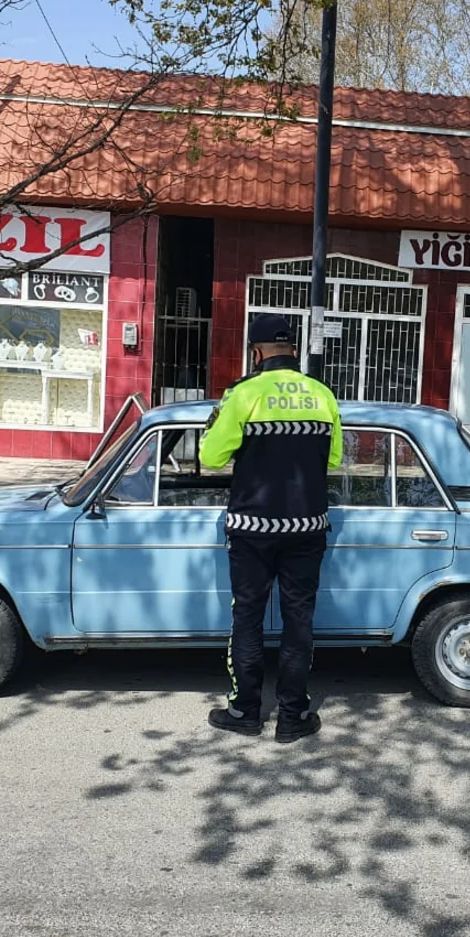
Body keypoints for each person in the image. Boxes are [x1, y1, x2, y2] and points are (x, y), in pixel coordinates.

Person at [199, 314, 342, 743]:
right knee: (299, 619)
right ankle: (293, 716)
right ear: (294, 350)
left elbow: (210, 456)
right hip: (307, 527)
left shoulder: (243, 395)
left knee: (248, 617)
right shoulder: (323, 395)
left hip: (252, 529)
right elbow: (333, 461)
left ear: (256, 352)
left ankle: (245, 711)